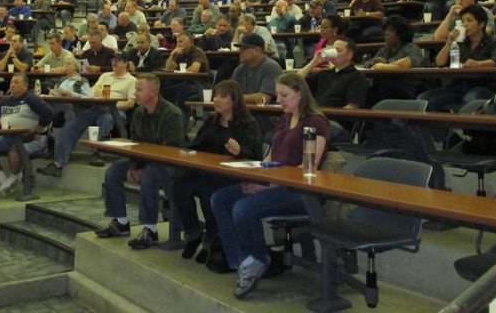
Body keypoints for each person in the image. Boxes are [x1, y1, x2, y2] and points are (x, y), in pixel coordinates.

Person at [211, 72, 329, 298]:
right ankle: (243, 261)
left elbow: (308, 168)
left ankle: (257, 260)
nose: (279, 100)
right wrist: (257, 176)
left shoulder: (315, 122)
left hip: (300, 191)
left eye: (284, 95)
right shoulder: (285, 119)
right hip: (274, 182)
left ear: (300, 93)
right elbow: (270, 157)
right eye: (278, 95)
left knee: (243, 209)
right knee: (221, 198)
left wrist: (268, 185)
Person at [174, 80, 263, 262]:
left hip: (231, 174)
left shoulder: (247, 123)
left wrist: (239, 151)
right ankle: (192, 233)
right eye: (215, 95)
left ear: (234, 100)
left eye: (222, 96)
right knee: (180, 184)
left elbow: (255, 154)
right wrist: (188, 153)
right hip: (208, 170)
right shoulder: (211, 121)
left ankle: (212, 238)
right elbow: (198, 145)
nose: (216, 99)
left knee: (209, 192)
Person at [95, 73, 185, 249]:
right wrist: (134, 165)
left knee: (148, 176)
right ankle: (121, 222)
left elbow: (171, 151)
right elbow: (136, 144)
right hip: (145, 160)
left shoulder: (172, 114)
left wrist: (142, 167)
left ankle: (150, 229)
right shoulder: (138, 113)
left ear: (153, 92)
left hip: (170, 164)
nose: (134, 93)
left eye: (138, 89)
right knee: (113, 171)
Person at [38, 53, 135, 176]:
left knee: (106, 119)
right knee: (71, 126)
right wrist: (77, 94)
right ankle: (57, 164)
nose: (114, 63)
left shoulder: (132, 80)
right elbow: (92, 92)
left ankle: (97, 154)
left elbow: (130, 103)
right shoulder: (105, 76)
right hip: (97, 107)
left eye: (118, 61)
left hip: (116, 111)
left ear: (126, 63)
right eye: (113, 60)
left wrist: (111, 105)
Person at [0, 73, 53, 198]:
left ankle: (14, 176)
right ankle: (4, 181)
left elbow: (48, 112)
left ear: (25, 86)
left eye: (16, 82)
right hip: (8, 137)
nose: (12, 85)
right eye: (11, 82)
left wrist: (39, 131)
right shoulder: (5, 100)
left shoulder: (31, 98)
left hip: (31, 139)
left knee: (15, 151)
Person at [419, 5, 496, 111]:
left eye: (469, 20)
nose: (465, 24)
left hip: (484, 85)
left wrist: (479, 64)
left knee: (470, 99)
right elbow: (439, 63)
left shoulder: (494, 42)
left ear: (481, 24)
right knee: (424, 99)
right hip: (459, 85)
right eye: (463, 21)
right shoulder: (461, 43)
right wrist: (449, 42)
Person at [366, 16, 423, 104]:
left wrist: (384, 65)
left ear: (401, 34)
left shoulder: (412, 48)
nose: (386, 33)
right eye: (386, 30)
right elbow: (370, 64)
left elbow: (406, 63)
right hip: (382, 87)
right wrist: (372, 64)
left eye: (391, 31)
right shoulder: (384, 49)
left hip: (403, 88)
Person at [298, 38, 368, 109]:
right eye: (333, 49)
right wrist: (314, 62)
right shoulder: (324, 74)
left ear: (349, 55)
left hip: (337, 115)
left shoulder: (357, 76)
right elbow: (295, 81)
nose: (334, 53)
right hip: (317, 113)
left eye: (338, 50)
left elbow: (352, 107)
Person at [231, 33, 283, 105]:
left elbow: (264, 99)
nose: (240, 52)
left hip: (266, 111)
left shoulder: (271, 67)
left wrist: (235, 98)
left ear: (257, 50)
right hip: (245, 110)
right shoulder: (240, 69)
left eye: (244, 49)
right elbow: (231, 91)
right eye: (240, 49)